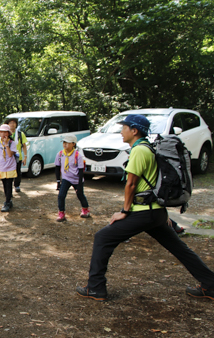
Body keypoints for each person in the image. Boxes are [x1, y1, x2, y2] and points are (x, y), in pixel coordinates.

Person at [76, 114, 214, 301]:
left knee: (103, 237)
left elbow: (131, 184)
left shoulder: (140, 150)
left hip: (145, 212)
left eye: (124, 127)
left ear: (134, 130)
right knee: (179, 248)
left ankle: (95, 288)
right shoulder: (148, 148)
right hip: (155, 212)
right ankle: (210, 284)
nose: (121, 131)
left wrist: (124, 212)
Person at [55, 134, 90, 222]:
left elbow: (81, 170)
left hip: (76, 178)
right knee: (61, 195)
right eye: (64, 142)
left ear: (73, 144)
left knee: (80, 194)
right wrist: (58, 181)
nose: (65, 144)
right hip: (66, 178)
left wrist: (79, 185)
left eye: (67, 142)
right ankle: (61, 213)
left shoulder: (78, 155)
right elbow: (57, 167)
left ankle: (85, 209)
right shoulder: (60, 154)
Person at [0, 124, 18, 212]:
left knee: (9, 184)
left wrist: (6, 144)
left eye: (5, 132)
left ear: (8, 133)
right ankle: (9, 201)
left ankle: (7, 202)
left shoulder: (12, 143)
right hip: (2, 168)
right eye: (1, 132)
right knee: (4, 185)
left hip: (11, 167)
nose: (3, 134)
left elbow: (10, 154)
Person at [7, 118, 28, 192]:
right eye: (10, 123)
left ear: (16, 124)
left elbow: (24, 145)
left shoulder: (20, 134)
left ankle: (17, 185)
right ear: (8, 125)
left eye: (14, 123)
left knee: (18, 172)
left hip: (18, 157)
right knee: (9, 172)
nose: (12, 124)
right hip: (8, 157)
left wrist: (25, 157)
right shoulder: (6, 134)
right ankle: (9, 187)